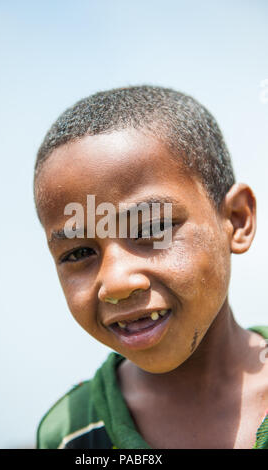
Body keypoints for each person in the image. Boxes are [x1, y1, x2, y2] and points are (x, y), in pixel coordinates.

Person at [33, 86, 268, 449]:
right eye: (78, 253)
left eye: (152, 229)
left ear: (236, 221)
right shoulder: (71, 433)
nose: (115, 282)